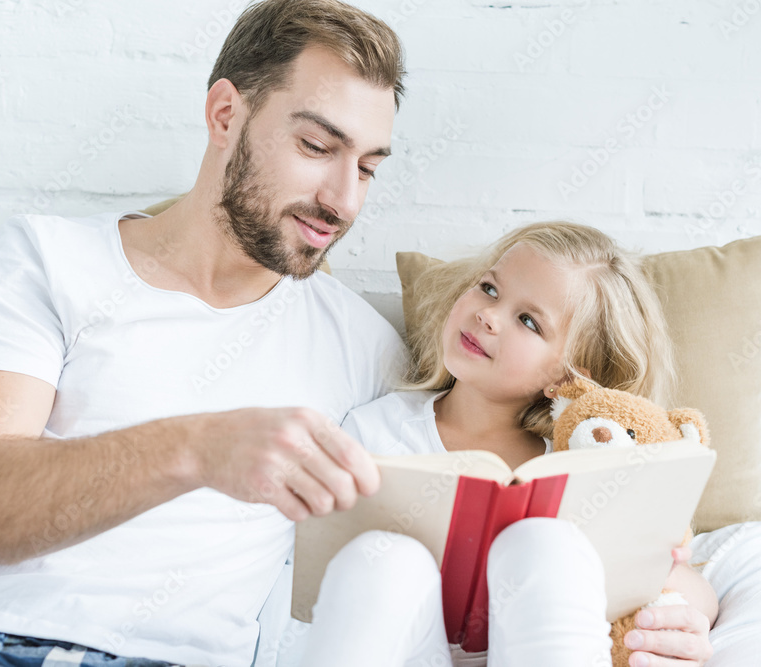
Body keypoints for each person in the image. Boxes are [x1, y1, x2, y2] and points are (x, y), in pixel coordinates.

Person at [0, 1, 409, 666]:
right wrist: (198, 446)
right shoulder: (45, 260)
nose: (344, 200)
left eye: (368, 167)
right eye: (317, 147)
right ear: (226, 114)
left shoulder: (367, 351)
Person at [293, 221, 718, 666]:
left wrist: (666, 578)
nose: (488, 315)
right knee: (385, 559)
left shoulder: (587, 460)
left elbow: (696, 592)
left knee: (545, 544)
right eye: (489, 289)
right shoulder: (375, 432)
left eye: (529, 321)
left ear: (565, 378)